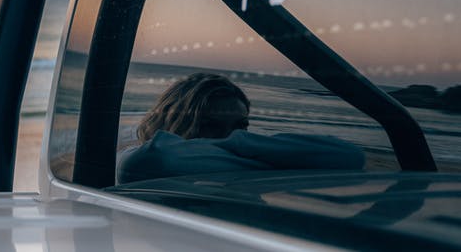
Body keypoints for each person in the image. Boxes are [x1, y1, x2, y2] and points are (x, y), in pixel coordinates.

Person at [116, 73, 366, 184]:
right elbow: (163, 158)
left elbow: (350, 156)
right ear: (172, 123)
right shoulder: (140, 162)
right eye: (209, 126)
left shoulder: (233, 155)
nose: (230, 136)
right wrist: (250, 150)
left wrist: (243, 144)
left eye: (240, 126)